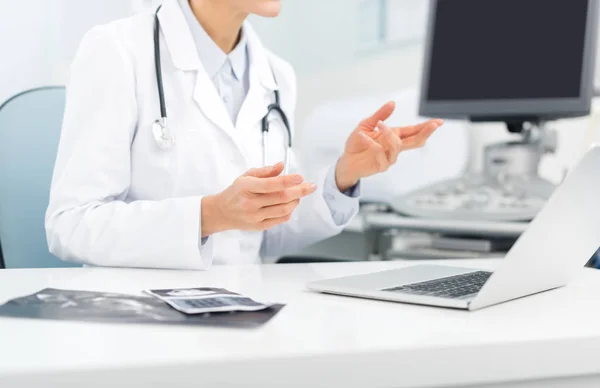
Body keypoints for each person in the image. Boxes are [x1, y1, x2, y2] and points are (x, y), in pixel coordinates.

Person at [45, 0, 443, 269]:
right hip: (137, 323)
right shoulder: (117, 51)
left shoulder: (276, 76)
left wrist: (343, 176)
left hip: (245, 316)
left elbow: (264, 236)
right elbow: (71, 224)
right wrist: (210, 215)